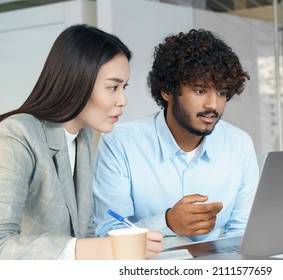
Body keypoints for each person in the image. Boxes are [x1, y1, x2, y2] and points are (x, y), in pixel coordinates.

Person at [0, 24, 163, 259]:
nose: (123, 100)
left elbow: (83, 231)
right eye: (113, 87)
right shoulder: (16, 133)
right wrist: (99, 249)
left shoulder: (83, 136)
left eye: (124, 87)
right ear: (78, 80)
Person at [93, 29, 260, 244]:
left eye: (221, 93)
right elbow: (108, 233)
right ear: (167, 91)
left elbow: (242, 230)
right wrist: (167, 222)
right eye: (200, 91)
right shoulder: (120, 143)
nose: (213, 105)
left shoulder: (239, 144)